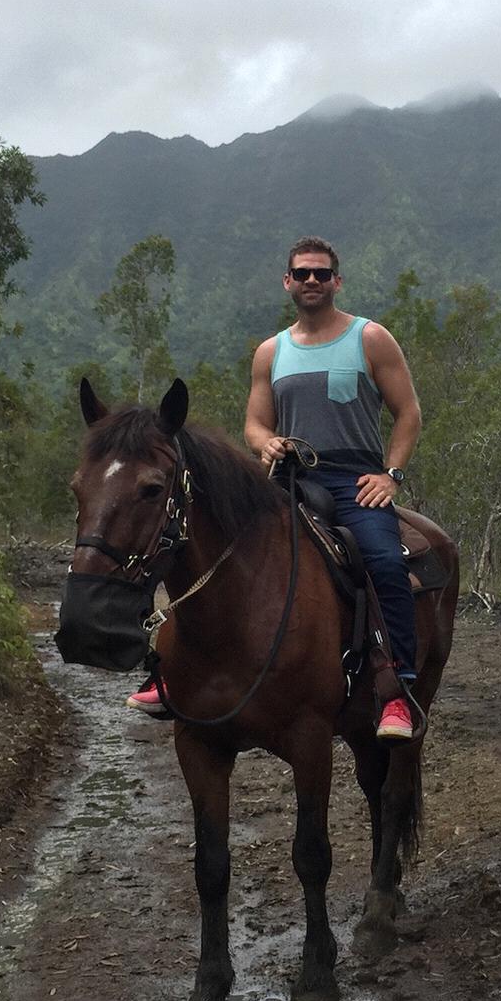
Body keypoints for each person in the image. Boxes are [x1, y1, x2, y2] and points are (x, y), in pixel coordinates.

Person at [129, 236, 423, 738]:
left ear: (337, 281)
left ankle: (396, 687)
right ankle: (173, 672)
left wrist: (390, 475)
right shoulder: (271, 351)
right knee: (203, 552)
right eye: (303, 274)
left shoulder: (370, 339)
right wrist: (266, 444)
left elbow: (408, 413)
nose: (312, 281)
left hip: (355, 479)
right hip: (287, 477)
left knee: (383, 561)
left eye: (322, 274)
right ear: (287, 281)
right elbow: (255, 423)